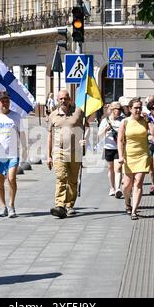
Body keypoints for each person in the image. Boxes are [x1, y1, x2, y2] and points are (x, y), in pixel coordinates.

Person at [47, 89, 88, 218]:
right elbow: (50, 135)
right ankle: (59, 205)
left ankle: (69, 205)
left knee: (72, 180)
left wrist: (84, 139)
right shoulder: (53, 115)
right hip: (59, 151)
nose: (63, 101)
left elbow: (87, 126)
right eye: (61, 99)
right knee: (61, 177)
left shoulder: (78, 112)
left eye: (65, 98)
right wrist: (48, 156)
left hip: (76, 151)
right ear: (58, 100)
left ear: (70, 99)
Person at [118, 98, 154, 220]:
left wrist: (149, 121)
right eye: (135, 108)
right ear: (130, 109)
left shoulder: (145, 121)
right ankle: (127, 201)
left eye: (140, 107)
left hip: (143, 155)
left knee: (138, 183)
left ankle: (134, 210)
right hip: (129, 155)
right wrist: (120, 156)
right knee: (127, 185)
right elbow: (120, 140)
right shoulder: (125, 122)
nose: (138, 110)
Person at [98, 102, 123, 198]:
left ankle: (118, 188)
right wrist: (105, 130)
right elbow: (98, 136)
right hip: (108, 147)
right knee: (110, 168)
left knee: (118, 168)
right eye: (118, 109)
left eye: (120, 110)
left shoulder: (122, 121)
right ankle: (112, 188)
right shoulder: (105, 121)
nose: (120, 112)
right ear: (113, 110)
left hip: (119, 148)